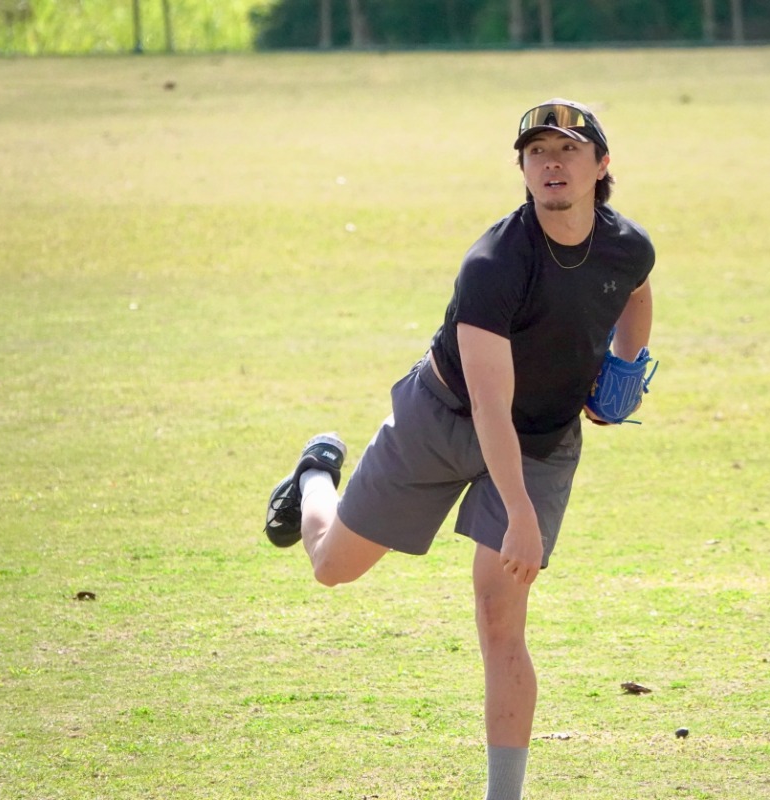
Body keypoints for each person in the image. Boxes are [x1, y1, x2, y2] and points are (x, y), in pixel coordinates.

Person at [265, 98, 654, 800]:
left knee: (500, 617)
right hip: (443, 419)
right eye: (537, 152)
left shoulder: (627, 245)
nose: (552, 163)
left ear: (601, 165)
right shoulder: (495, 263)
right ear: (523, 169)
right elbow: (488, 405)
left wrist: (624, 365)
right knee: (332, 568)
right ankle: (316, 473)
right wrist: (520, 515)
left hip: (541, 440)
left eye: (567, 150)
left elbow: (636, 291)